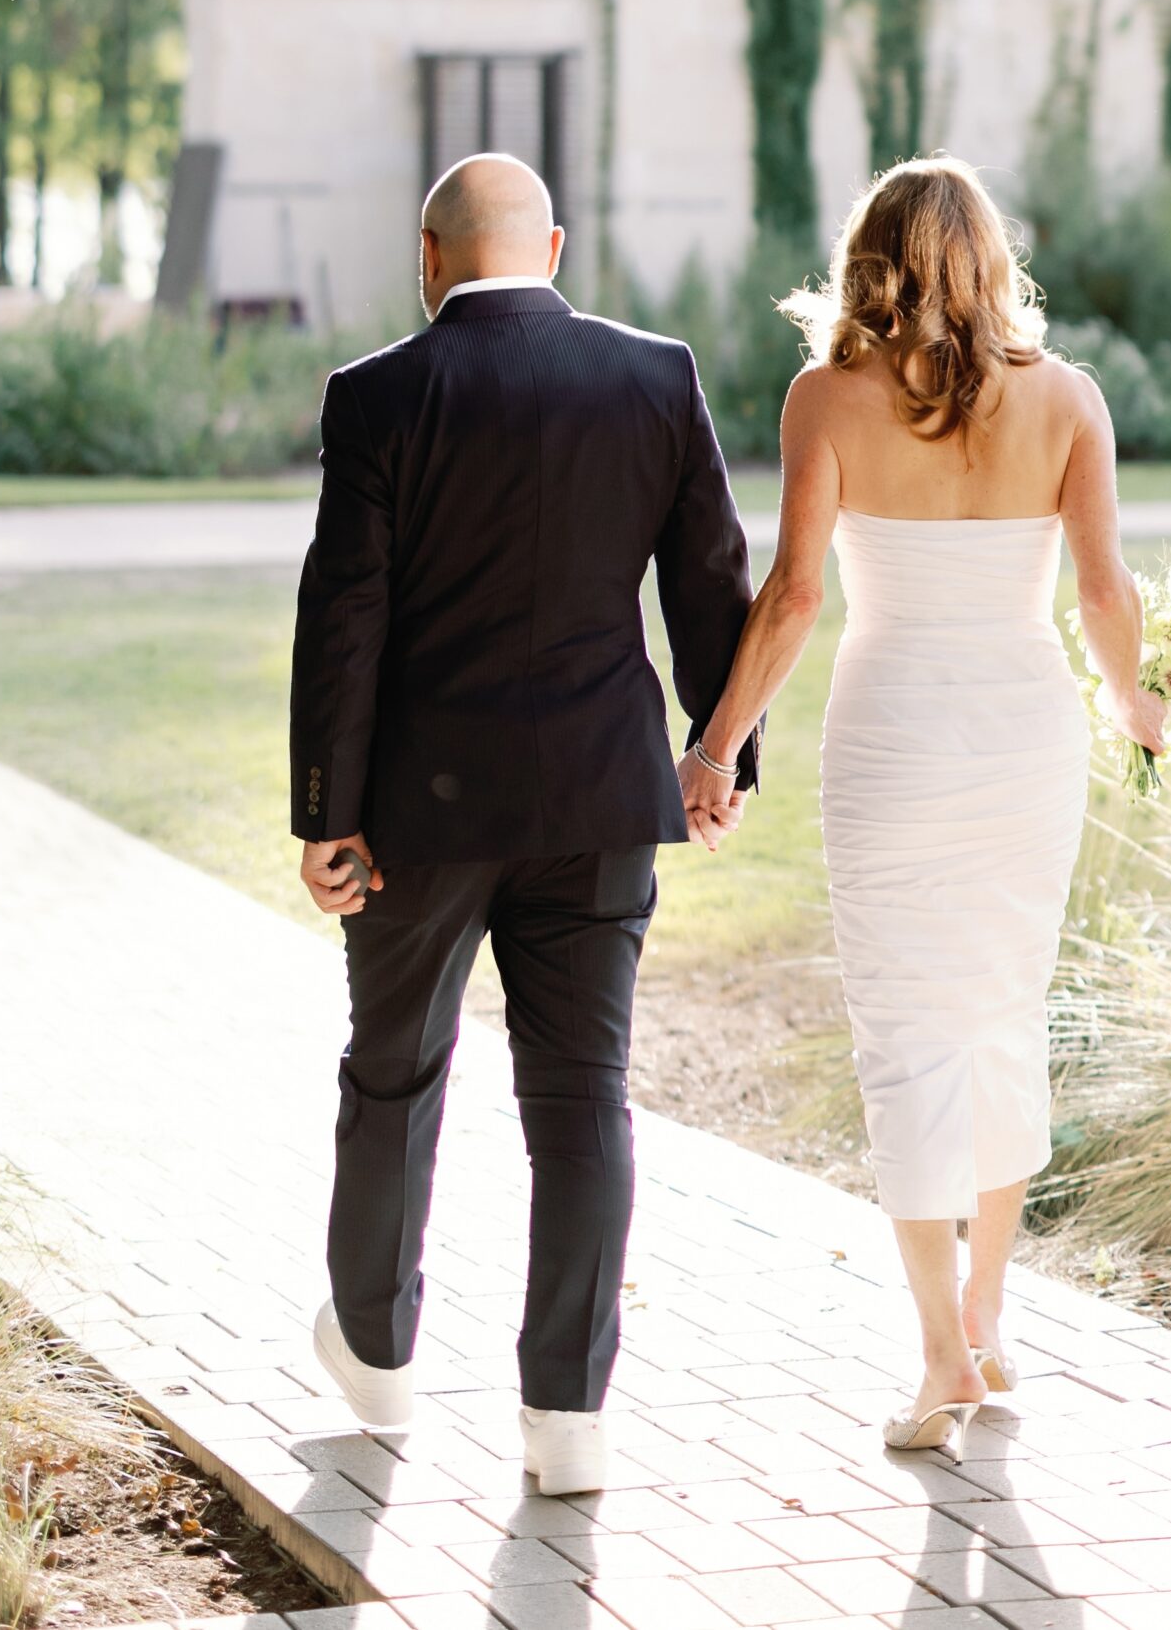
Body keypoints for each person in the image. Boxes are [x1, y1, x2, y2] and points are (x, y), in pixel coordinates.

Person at [677, 155, 1164, 1450]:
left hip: (892, 737)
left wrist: (716, 746)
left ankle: (945, 1352)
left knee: (905, 1037)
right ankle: (988, 1317)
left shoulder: (826, 401)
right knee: (1000, 1015)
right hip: (1021, 736)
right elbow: (1106, 598)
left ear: (868, 261)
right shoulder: (1067, 400)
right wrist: (1138, 705)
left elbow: (790, 599)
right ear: (993, 260)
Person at [289, 152, 758, 1497]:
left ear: (428, 257)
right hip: (601, 799)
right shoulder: (654, 376)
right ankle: (569, 1419)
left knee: (395, 1072)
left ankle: (376, 1358)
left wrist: (328, 810)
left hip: (419, 816)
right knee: (583, 1100)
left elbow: (346, 618)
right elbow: (710, 583)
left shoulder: (377, 396)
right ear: (550, 246)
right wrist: (718, 754)